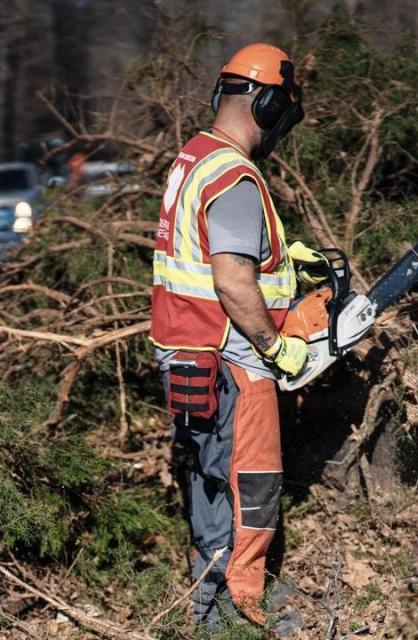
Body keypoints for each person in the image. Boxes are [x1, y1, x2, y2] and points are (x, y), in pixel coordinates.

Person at [150, 44, 309, 629]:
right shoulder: (236, 177)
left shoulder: (196, 158)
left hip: (187, 355)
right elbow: (233, 279)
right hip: (233, 360)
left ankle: (208, 605)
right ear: (268, 106)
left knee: (211, 483)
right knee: (252, 485)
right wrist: (275, 344)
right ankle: (246, 611)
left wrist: (281, 259)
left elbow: (209, 252)